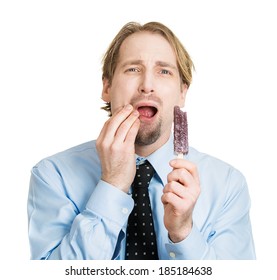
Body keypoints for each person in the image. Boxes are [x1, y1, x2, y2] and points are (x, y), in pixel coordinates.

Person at [27, 21, 256, 260]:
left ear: (182, 93)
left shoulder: (228, 185)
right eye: (133, 69)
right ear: (107, 87)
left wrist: (184, 233)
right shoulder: (53, 176)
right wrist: (112, 184)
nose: (147, 85)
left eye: (164, 71)